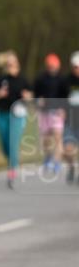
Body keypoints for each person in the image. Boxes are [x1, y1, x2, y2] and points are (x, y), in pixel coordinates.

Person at [0, 51, 32, 188]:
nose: (11, 65)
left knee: (13, 142)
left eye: (13, 63)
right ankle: (12, 160)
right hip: (2, 114)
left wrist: (27, 96)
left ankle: (12, 169)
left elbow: (31, 95)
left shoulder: (23, 80)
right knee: (4, 143)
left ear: (17, 64)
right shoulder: (0, 79)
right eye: (9, 63)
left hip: (17, 115)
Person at [33, 53, 70, 174]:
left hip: (57, 112)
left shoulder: (62, 80)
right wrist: (39, 100)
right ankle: (48, 157)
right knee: (46, 139)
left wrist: (64, 109)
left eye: (54, 66)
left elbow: (66, 97)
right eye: (50, 66)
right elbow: (35, 95)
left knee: (58, 137)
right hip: (44, 112)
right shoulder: (40, 79)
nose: (52, 68)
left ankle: (57, 162)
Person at [65, 52, 79, 184]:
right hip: (70, 119)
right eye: (75, 67)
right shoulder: (66, 81)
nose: (77, 69)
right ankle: (71, 167)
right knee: (68, 148)